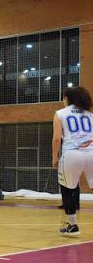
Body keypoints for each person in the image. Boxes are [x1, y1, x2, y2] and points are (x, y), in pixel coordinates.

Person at [52, 86, 93, 237]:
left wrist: (54, 157)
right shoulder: (90, 114)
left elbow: (57, 138)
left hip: (72, 154)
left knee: (67, 189)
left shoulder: (60, 113)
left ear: (68, 98)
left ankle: (72, 225)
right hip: (92, 153)